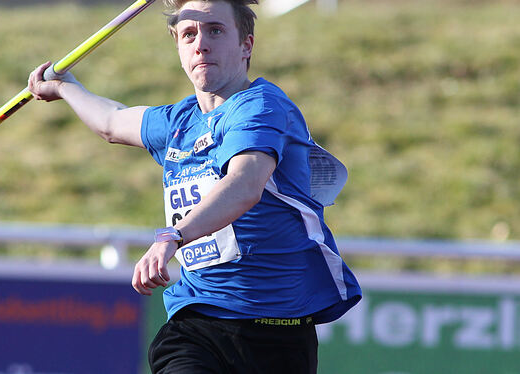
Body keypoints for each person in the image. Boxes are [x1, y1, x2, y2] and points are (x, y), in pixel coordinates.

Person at [28, 0, 361, 372]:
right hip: (197, 324)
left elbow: (245, 183)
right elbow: (111, 121)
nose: (201, 44)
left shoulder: (262, 107)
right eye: (189, 34)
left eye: (215, 30)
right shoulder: (177, 122)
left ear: (246, 45)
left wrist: (174, 235)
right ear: (179, 49)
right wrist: (65, 87)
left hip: (277, 334)